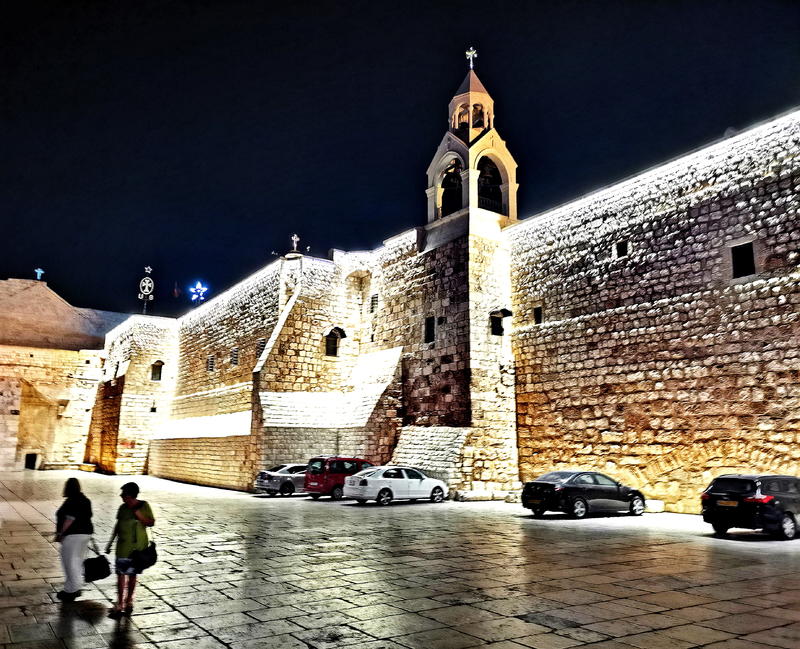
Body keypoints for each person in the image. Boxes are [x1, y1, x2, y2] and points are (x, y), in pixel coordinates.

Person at [105, 482, 155, 618]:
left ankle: (129, 601)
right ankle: (120, 603)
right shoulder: (122, 508)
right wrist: (110, 543)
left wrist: (137, 513)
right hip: (122, 548)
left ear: (130, 495)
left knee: (132, 575)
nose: (121, 496)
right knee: (121, 575)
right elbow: (118, 525)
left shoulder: (144, 506)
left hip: (137, 549)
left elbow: (151, 522)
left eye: (124, 494)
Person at [55, 477, 93, 602]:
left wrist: (60, 533)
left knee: (69, 562)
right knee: (77, 561)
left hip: (73, 535)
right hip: (85, 535)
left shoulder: (72, 501)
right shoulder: (85, 500)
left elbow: (69, 519)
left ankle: (72, 590)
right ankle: (73, 587)